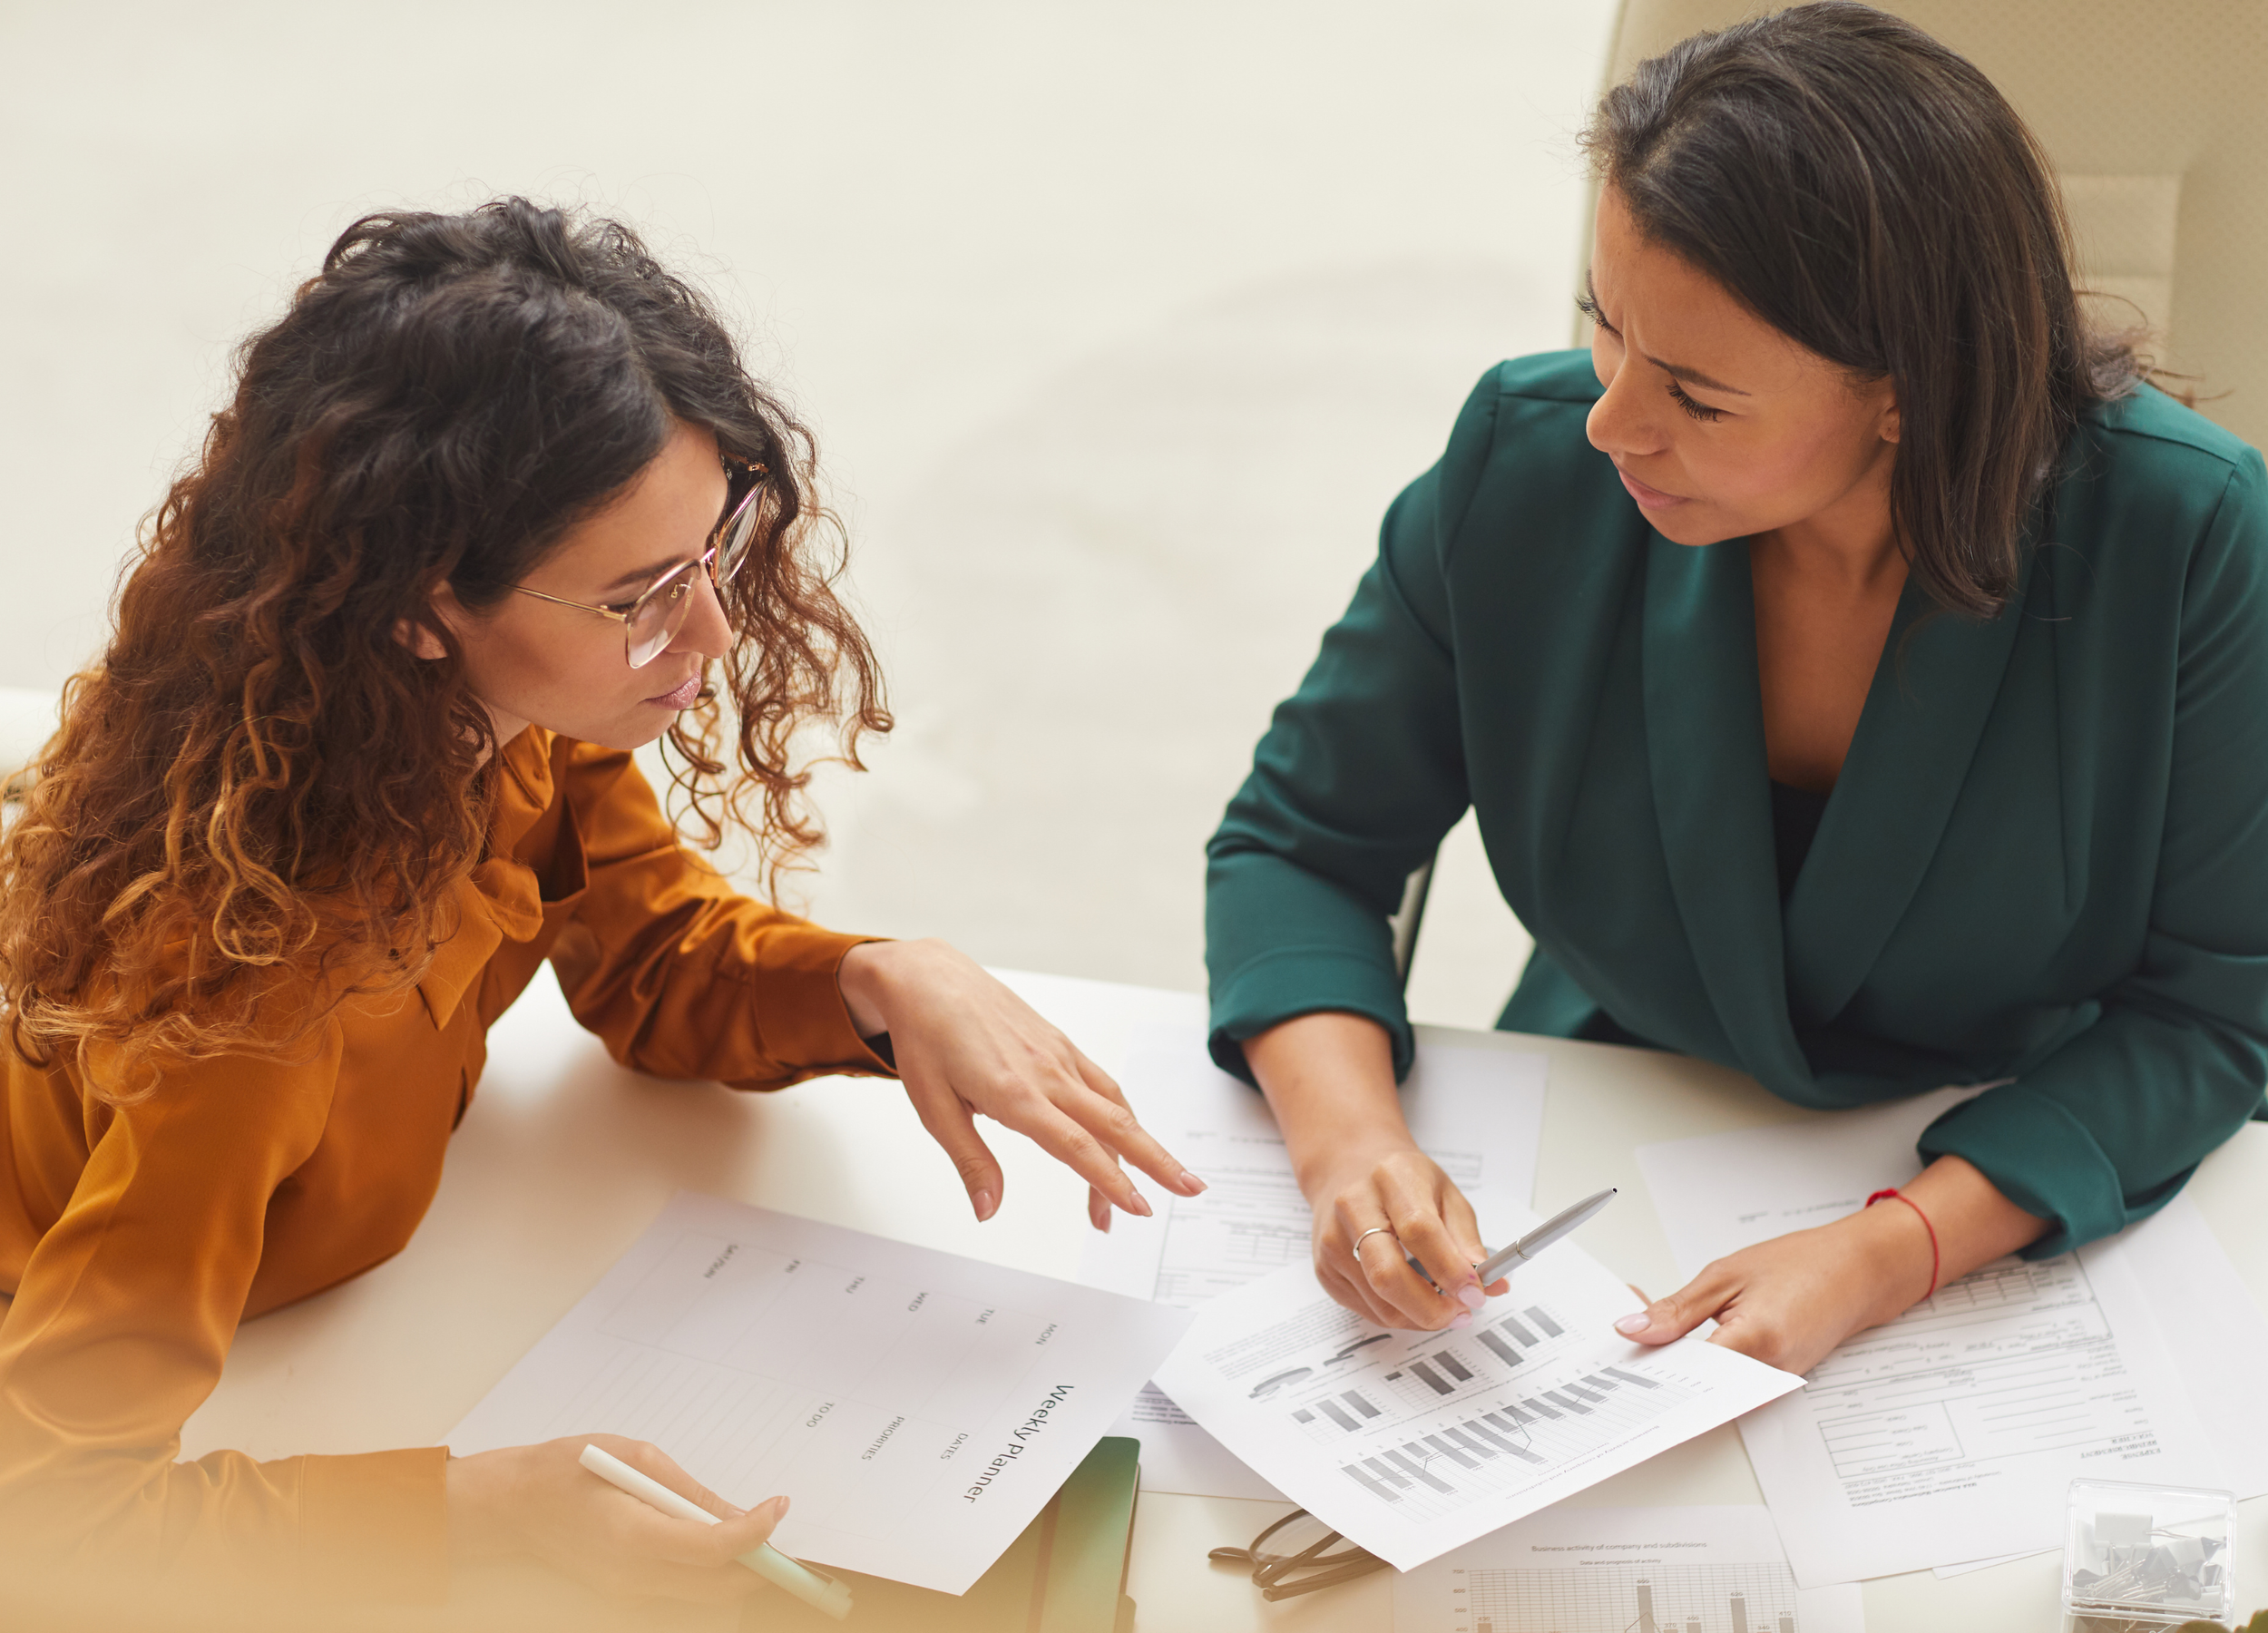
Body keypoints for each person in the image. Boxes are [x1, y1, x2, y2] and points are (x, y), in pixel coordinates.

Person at [0, 199, 1201, 1613]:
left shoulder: (495, 722)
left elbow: (647, 955)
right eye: (640, 597)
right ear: (419, 609)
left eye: (715, 554)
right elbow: (49, 1520)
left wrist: (880, 982)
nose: (711, 634)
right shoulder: (245, 1005)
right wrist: (473, 1509)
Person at [1206, 4, 2268, 1374]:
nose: (1611, 422)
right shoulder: (1524, 465)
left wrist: (1889, 1253)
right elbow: (1299, 847)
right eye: (1607, 323)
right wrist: (1351, 1151)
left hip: (2019, 1145)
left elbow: (2214, 1012)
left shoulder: (2187, 537)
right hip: (1600, 1125)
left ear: (1908, 392)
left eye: (1698, 396)